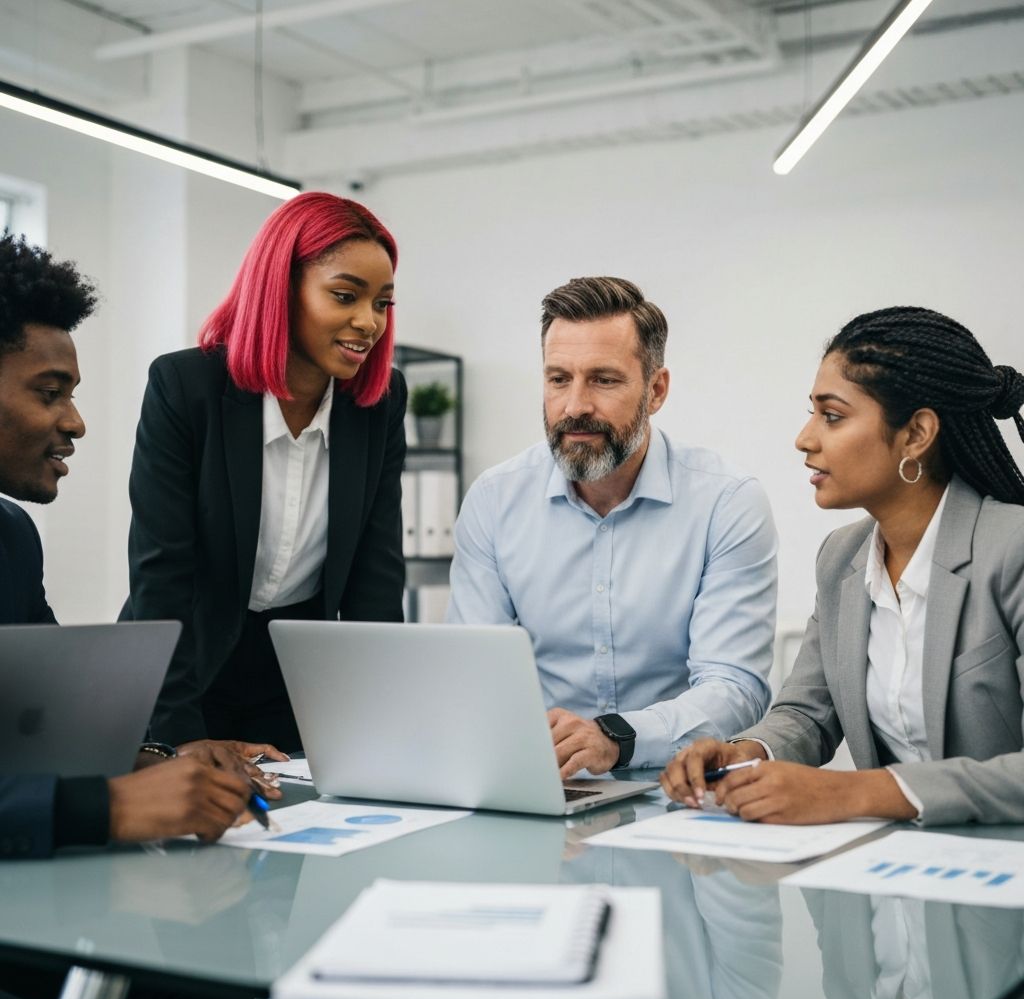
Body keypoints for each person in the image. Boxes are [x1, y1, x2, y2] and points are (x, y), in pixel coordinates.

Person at [662, 306, 1024, 826]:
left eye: (832, 416)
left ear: (917, 433)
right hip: (892, 878)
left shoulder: (1012, 549)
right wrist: (745, 753)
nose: (805, 438)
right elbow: (808, 713)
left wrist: (853, 793)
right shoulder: (841, 559)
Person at [0, 230, 278, 863]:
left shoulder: (13, 539)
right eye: (50, 392)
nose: (76, 422)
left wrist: (163, 757)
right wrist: (116, 805)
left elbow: (50, 735)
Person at [447, 276, 778, 777]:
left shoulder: (727, 502)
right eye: (558, 379)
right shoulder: (495, 500)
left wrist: (617, 738)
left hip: (676, 790)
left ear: (656, 389)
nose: (575, 405)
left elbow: (734, 686)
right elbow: (472, 673)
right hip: (540, 780)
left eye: (603, 380)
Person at [121, 193, 407, 751]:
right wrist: (178, 742)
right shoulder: (186, 388)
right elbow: (161, 577)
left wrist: (379, 726)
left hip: (298, 683)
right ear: (282, 288)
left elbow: (377, 576)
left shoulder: (380, 402)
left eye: (383, 303)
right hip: (183, 674)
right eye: (346, 295)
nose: (368, 322)